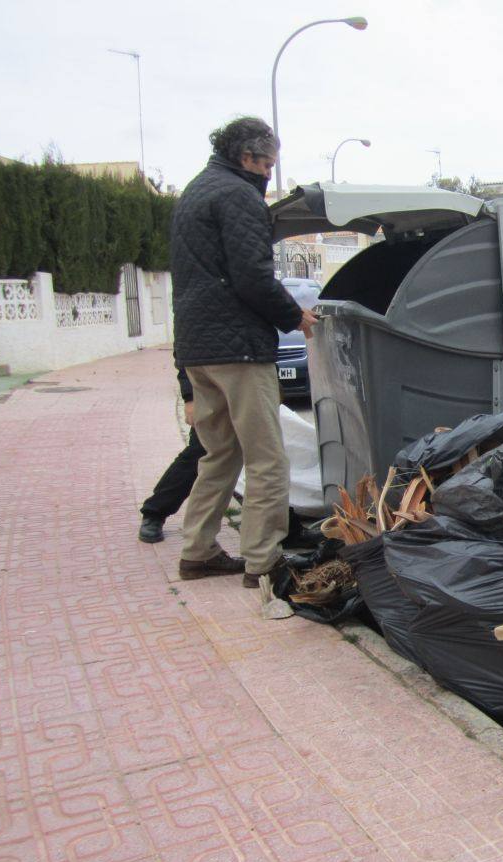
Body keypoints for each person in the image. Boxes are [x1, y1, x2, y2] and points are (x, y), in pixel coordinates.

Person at [171, 115, 317, 587]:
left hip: (199, 348)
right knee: (268, 459)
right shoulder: (239, 195)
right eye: (268, 165)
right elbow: (253, 277)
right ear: (248, 157)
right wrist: (294, 316)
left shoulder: (195, 191)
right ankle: (264, 561)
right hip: (239, 351)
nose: (269, 175)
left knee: (219, 455)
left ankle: (197, 552)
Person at [138, 369, 321, 549]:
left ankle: (288, 530)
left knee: (265, 461)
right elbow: (187, 346)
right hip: (215, 386)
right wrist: (189, 397)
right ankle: (155, 513)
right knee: (201, 453)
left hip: (252, 381)